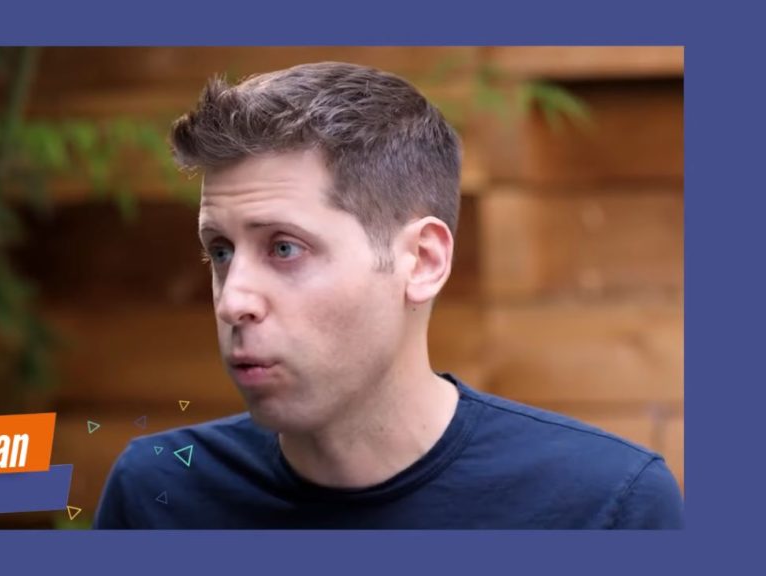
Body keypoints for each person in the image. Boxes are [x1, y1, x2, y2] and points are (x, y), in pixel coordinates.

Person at [93, 61, 684, 529]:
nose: (232, 302)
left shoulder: (605, 509)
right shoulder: (158, 495)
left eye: (284, 248)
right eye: (220, 251)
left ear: (422, 262)